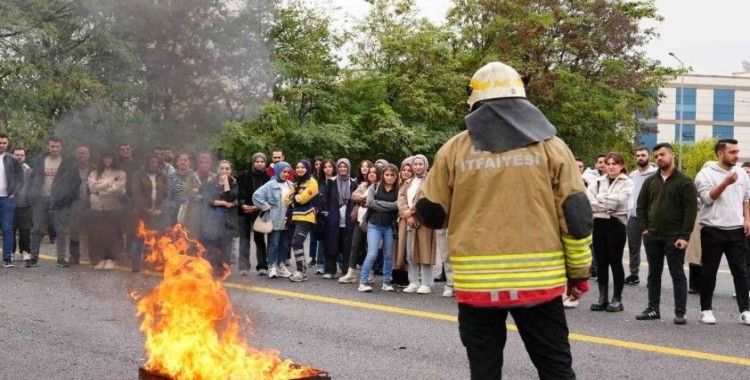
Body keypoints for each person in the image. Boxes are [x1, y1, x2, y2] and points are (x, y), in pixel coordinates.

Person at [417, 62, 592, 379]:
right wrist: (578, 274)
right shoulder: (553, 147)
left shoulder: (453, 150)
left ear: (475, 103)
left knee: (484, 371)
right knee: (555, 369)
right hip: (539, 282)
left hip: (477, 286)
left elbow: (431, 214)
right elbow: (576, 218)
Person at [634, 143, 697, 324]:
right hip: (652, 235)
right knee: (653, 273)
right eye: (656, 156)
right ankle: (653, 309)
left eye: (662, 154)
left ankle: (680, 313)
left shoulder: (685, 182)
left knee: (677, 274)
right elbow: (641, 207)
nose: (659, 158)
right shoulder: (650, 181)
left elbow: (690, 212)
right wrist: (644, 229)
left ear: (672, 155)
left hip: (674, 237)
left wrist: (684, 236)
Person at [694, 139, 750, 325]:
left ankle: (745, 310)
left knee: (740, 272)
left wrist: (747, 218)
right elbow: (707, 199)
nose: (736, 155)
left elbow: (746, 197)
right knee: (709, 272)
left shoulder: (741, 172)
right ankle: (706, 310)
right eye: (732, 152)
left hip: (736, 230)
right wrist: (725, 183)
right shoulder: (705, 174)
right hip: (713, 230)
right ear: (720, 153)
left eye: (737, 151)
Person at [586, 152, 633, 312]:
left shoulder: (627, 182)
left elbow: (620, 202)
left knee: (615, 261)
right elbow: (588, 201)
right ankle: (602, 298)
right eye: (609, 164)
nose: (611, 167)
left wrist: (600, 200)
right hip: (599, 224)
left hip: (616, 224)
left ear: (621, 165)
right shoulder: (598, 182)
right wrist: (605, 201)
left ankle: (617, 299)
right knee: (601, 262)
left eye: (615, 164)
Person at [29, 137, 81, 267]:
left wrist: (66, 199)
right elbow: (32, 178)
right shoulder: (40, 161)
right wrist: (33, 195)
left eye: (57, 146)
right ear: (48, 146)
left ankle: (61, 259)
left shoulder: (68, 163)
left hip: (59, 202)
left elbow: (76, 183)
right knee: (36, 230)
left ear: (61, 147)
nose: (54, 149)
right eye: (52, 146)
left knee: (61, 230)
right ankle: (33, 258)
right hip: (41, 200)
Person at [396, 154, 436, 294]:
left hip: (424, 220)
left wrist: (411, 212)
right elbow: (400, 197)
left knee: (424, 250)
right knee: (409, 251)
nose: (418, 167)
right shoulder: (409, 182)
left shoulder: (431, 180)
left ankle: (426, 283)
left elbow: (425, 199)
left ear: (425, 165)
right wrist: (406, 213)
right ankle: (413, 281)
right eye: (416, 164)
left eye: (421, 164)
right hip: (408, 220)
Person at [358, 164, 399, 292]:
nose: (389, 177)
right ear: (383, 175)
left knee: (388, 255)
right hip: (374, 225)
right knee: (372, 253)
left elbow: (397, 206)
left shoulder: (398, 190)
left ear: (396, 176)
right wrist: (390, 206)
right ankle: (363, 282)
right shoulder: (374, 187)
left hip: (389, 226)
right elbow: (370, 203)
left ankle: (387, 282)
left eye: (392, 175)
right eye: (387, 175)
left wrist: (379, 204)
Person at [339, 165, 380, 284]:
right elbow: (354, 196)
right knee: (355, 245)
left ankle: (370, 273)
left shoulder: (380, 187)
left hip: (373, 220)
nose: (371, 174)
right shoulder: (364, 185)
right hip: (360, 219)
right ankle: (351, 273)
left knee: (370, 248)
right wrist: (365, 199)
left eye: (374, 172)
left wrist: (364, 201)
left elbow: (374, 202)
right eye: (370, 172)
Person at [253, 161, 294, 279]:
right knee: (274, 243)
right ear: (277, 171)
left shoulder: (291, 185)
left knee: (284, 244)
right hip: (275, 218)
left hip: (287, 219)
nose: (286, 174)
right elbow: (256, 196)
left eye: (288, 172)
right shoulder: (270, 184)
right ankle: (272, 266)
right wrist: (266, 206)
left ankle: (281, 266)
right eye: (283, 172)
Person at [87, 152, 127, 270]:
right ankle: (102, 258)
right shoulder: (95, 173)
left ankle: (112, 259)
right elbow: (91, 187)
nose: (107, 160)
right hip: (97, 207)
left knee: (113, 234)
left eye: (109, 157)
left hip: (113, 207)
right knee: (99, 234)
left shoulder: (120, 173)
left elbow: (118, 190)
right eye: (105, 157)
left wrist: (100, 189)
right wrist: (108, 184)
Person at [129, 155, 169, 272]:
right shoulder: (138, 175)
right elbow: (136, 193)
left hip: (158, 214)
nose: (153, 164)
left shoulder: (163, 176)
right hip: (142, 213)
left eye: (156, 162)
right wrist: (146, 208)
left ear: (159, 164)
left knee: (158, 239)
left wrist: (161, 209)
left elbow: (167, 194)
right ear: (147, 163)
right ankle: (135, 265)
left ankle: (155, 264)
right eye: (151, 161)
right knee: (139, 238)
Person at [625, 147, 658, 285]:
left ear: (649, 156)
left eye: (643, 155)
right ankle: (634, 274)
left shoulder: (656, 173)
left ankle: (653, 277)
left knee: (652, 248)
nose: (640, 157)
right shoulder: (633, 175)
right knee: (633, 248)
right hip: (633, 217)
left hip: (650, 218)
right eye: (638, 155)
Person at [321, 158, 358, 279]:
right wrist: (326, 213)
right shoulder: (331, 181)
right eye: (340, 167)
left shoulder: (353, 182)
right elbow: (325, 199)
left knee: (347, 244)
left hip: (348, 217)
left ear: (348, 168)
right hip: (333, 216)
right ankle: (330, 270)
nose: (342, 169)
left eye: (345, 167)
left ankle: (346, 269)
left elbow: (357, 200)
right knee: (331, 242)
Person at [201, 160, 238, 277]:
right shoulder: (211, 183)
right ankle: (211, 269)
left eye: (227, 168)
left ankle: (224, 271)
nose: (224, 171)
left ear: (230, 170)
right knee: (212, 246)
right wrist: (223, 203)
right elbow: (207, 199)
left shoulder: (234, 183)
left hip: (228, 220)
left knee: (226, 246)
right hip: (213, 220)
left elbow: (231, 197)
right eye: (222, 168)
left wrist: (226, 182)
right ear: (218, 169)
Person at [284, 159, 319, 282]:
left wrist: (296, 196)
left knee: (296, 243)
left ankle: (301, 272)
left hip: (306, 217)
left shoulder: (312, 182)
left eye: (303, 167)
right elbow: (285, 199)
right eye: (298, 167)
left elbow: (302, 199)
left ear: (308, 168)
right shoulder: (297, 183)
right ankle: (301, 270)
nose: (300, 169)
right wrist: (296, 196)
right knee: (296, 243)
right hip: (296, 217)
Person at [236, 153, 271, 276]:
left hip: (260, 210)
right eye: (257, 161)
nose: (259, 163)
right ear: (253, 162)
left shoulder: (268, 177)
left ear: (265, 163)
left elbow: (269, 196)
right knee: (244, 239)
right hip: (244, 210)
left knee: (260, 238)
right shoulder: (244, 175)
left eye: (262, 161)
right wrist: (242, 205)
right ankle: (244, 267)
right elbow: (238, 192)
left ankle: (262, 266)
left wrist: (258, 207)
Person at [0, 134, 24, 267]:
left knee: (7, 229)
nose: (1, 145)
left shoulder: (12, 159)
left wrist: (14, 193)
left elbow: (21, 179)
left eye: (4, 143)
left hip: (7, 199)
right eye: (0, 142)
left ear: (8, 143)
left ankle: (7, 259)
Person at [67, 145, 93, 266]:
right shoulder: (71, 169)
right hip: (75, 203)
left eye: (84, 153)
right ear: (76, 155)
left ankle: (94, 255)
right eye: (79, 153)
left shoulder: (95, 169)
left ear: (89, 155)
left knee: (92, 231)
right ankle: (74, 256)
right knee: (74, 230)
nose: (82, 155)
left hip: (91, 204)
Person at [182, 152, 216, 238]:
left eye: (207, 162)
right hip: (194, 211)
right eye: (201, 162)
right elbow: (186, 192)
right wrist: (195, 194)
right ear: (198, 163)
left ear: (210, 164)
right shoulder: (192, 176)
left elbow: (218, 193)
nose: (204, 164)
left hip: (210, 211)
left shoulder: (215, 177)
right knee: (194, 236)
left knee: (209, 236)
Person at [12, 147, 32, 264]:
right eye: (16, 155)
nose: (19, 157)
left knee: (25, 230)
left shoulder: (30, 171)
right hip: (10, 205)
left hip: (25, 205)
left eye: (21, 155)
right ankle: (11, 252)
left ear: (25, 157)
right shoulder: (6, 169)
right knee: (10, 230)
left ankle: (25, 251)